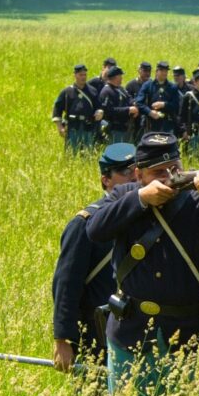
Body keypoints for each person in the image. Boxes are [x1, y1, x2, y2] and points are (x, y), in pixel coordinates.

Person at [85, 133, 199, 396]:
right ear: (139, 174)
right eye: (159, 172)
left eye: (175, 169)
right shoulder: (125, 195)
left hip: (193, 331)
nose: (170, 176)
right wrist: (142, 199)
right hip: (132, 330)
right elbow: (95, 229)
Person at [52, 143, 137, 373]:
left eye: (137, 170)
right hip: (96, 331)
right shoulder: (86, 222)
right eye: (125, 172)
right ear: (106, 180)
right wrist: (63, 339)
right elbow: (66, 283)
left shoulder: (148, 215)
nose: (133, 176)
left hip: (136, 327)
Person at [53, 64, 102, 152]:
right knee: (71, 154)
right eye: (80, 75)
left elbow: (99, 107)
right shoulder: (67, 92)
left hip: (87, 127)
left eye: (85, 75)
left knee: (87, 154)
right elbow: (57, 109)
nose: (83, 77)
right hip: (72, 127)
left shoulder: (93, 91)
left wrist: (99, 112)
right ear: (75, 75)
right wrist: (60, 127)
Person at [134, 61, 180, 135]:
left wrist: (164, 104)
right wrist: (149, 112)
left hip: (167, 124)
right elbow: (139, 103)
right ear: (156, 71)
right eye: (162, 71)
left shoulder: (172, 87)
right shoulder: (147, 85)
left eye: (166, 71)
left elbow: (176, 105)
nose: (164, 73)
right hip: (151, 124)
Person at [98, 66, 139, 145]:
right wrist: (128, 109)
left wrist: (135, 104)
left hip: (126, 127)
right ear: (115, 77)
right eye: (120, 76)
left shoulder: (120, 88)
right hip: (115, 128)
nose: (122, 78)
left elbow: (129, 98)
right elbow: (109, 111)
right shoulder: (106, 91)